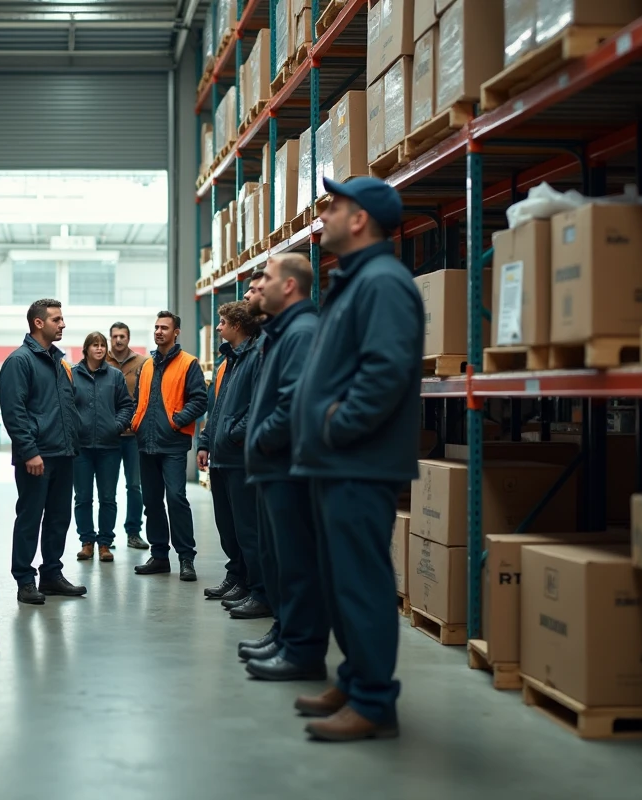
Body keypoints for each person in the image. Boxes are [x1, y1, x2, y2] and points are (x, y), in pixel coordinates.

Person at [290, 176, 424, 741]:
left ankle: (373, 702)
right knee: (340, 580)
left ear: (361, 219)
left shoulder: (385, 284)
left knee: (362, 583)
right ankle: (354, 679)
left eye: (334, 207)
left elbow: (385, 373)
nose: (325, 216)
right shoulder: (355, 281)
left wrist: (336, 426)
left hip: (357, 461)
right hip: (335, 461)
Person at [242, 254, 329, 683]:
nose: (255, 287)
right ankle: (285, 633)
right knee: (279, 561)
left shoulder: (301, 332)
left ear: (290, 286)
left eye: (266, 278)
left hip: (287, 468)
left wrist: (259, 439)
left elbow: (294, 403)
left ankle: (302, 652)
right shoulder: (282, 332)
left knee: (296, 564)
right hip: (273, 468)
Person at [0, 299, 86, 605]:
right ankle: (24, 579)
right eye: (57, 320)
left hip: (63, 453)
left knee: (59, 518)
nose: (62, 324)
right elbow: (14, 412)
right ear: (39, 323)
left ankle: (51, 574)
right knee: (30, 517)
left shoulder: (57, 362)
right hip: (37, 456)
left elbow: (66, 407)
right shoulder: (19, 361)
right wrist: (28, 451)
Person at [196, 301, 269, 621]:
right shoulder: (230, 361)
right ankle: (237, 577)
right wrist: (206, 441)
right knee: (228, 528)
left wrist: (234, 434)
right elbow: (217, 407)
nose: (219, 328)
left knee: (247, 529)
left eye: (223, 322)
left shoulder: (254, 358)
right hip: (222, 457)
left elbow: (256, 405)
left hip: (239, 458)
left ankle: (258, 590)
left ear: (238, 326)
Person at [132, 311, 208, 581]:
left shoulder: (189, 363)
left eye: (164, 327)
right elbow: (138, 399)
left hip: (173, 444)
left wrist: (177, 421)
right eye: (156, 327)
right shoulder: (147, 365)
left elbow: (200, 400)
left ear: (176, 332)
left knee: (176, 499)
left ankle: (186, 558)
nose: (159, 331)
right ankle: (160, 556)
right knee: (151, 501)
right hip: (146, 443)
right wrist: (135, 422)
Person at [73, 332, 135, 562]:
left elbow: (126, 406)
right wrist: (75, 428)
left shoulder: (115, 376)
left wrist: (115, 426)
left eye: (102, 345)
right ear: (86, 348)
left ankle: (105, 544)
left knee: (108, 497)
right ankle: (86, 542)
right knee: (82, 497)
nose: (99, 349)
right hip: (81, 448)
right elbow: (67, 407)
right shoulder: (72, 374)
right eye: (94, 345)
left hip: (110, 446)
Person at [106, 323, 148, 550]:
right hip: (109, 436)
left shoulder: (143, 363)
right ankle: (106, 537)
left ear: (128, 338)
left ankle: (134, 532)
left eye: (122, 336)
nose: (118, 340)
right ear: (110, 338)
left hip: (133, 435)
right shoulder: (103, 361)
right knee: (107, 489)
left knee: (134, 485)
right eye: (115, 336)